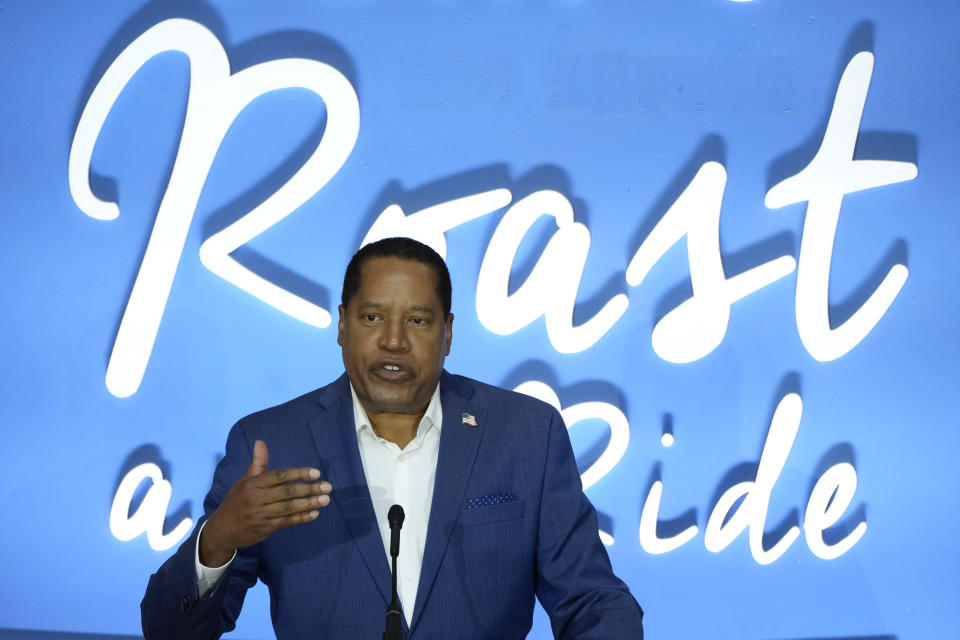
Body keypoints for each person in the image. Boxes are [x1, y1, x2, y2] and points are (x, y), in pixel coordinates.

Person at [141, 237, 644, 639]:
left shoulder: (528, 435)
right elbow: (170, 631)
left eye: (418, 320)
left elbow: (592, 601)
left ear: (447, 332)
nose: (395, 340)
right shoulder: (270, 443)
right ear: (342, 325)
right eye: (373, 317)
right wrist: (219, 539)